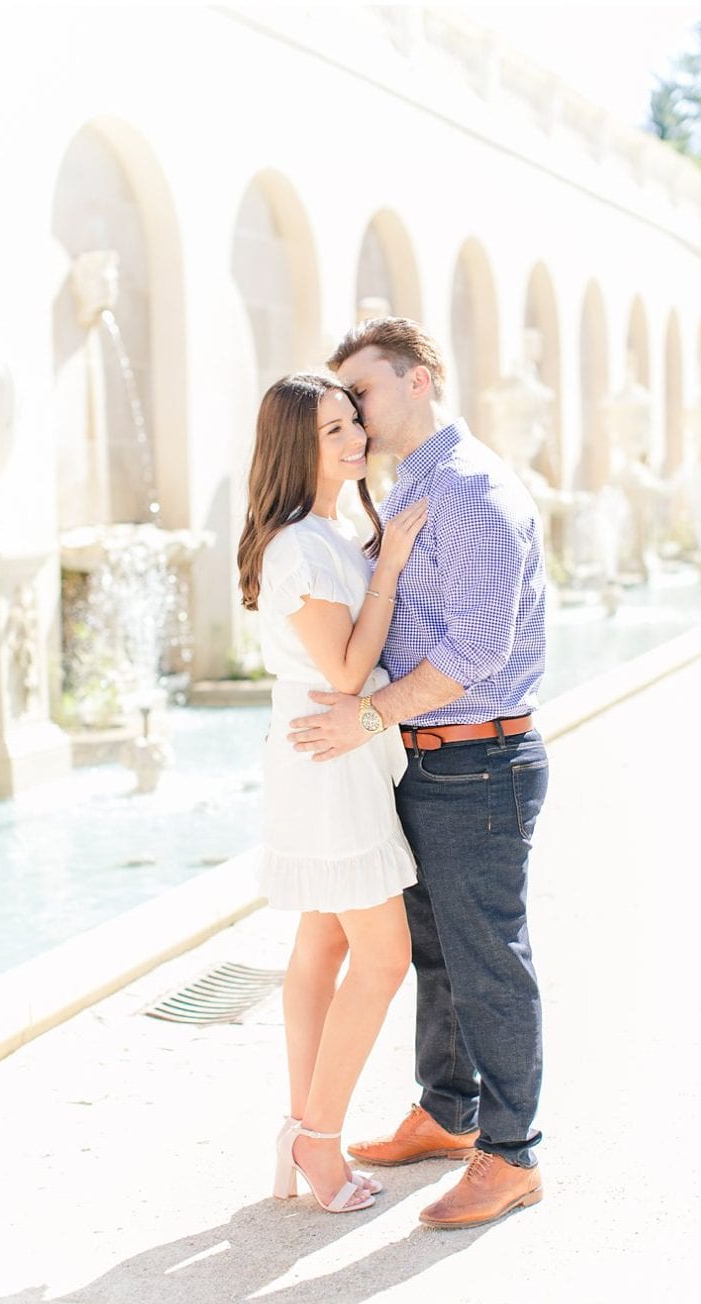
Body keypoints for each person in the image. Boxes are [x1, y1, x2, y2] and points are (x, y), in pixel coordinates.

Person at [288, 316, 551, 1230]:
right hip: (433, 757)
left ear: (421, 378)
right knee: (438, 950)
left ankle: (512, 1156)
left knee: (486, 960)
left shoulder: (469, 492)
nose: (354, 412)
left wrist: (367, 714)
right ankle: (447, 1111)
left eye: (363, 391)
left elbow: (477, 646)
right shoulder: (412, 492)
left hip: (478, 757)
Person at [236, 372, 429, 1213]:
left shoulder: (324, 531)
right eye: (332, 431)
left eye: (354, 421)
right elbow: (348, 672)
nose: (354, 439)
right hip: (328, 760)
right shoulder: (296, 547)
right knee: (385, 955)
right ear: (295, 446)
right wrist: (388, 564)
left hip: (331, 756)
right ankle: (319, 1137)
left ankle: (300, 1127)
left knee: (324, 944)